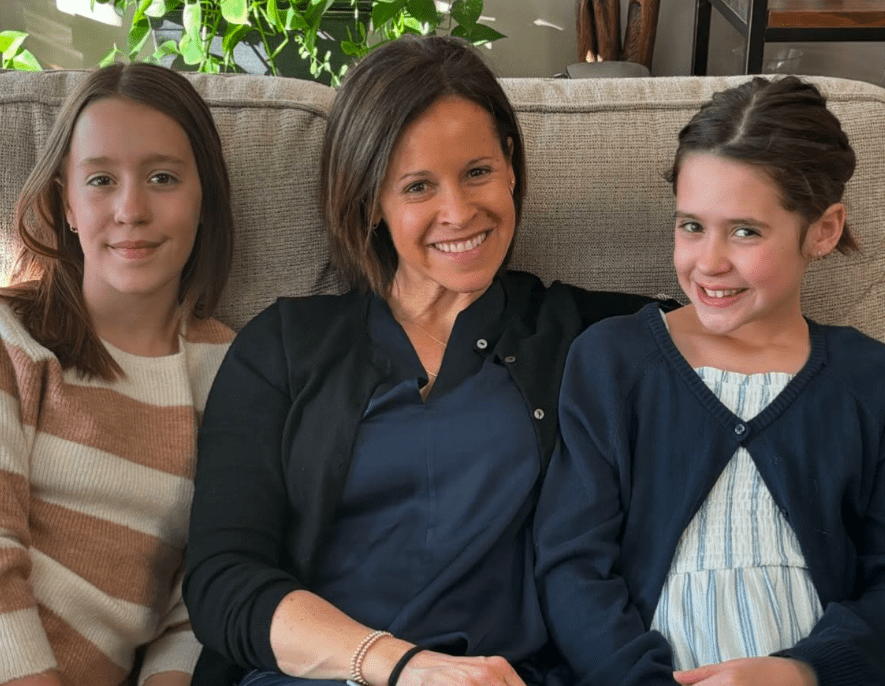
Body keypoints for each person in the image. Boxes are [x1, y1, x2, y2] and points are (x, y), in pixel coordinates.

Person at [182, 35, 668, 686]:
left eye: (477, 171)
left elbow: (751, 321)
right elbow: (223, 579)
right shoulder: (284, 346)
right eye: (417, 187)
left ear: (511, 168)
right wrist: (398, 665)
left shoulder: (581, 333)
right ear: (368, 204)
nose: (458, 212)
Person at [535, 76, 885, 686]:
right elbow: (573, 567)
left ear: (823, 230)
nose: (710, 261)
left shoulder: (868, 379)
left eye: (746, 231)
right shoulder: (613, 363)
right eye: (692, 226)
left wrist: (805, 673)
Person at [0, 63, 235, 686]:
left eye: (162, 178)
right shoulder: (10, 339)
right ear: (65, 205)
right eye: (101, 180)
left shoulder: (231, 370)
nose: (131, 209)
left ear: (203, 196)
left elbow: (201, 588)